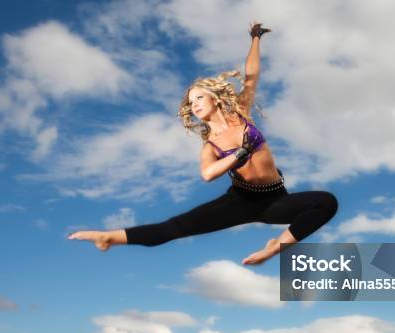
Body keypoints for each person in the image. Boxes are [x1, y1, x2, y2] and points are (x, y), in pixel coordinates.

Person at [68, 22, 338, 265]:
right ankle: (109, 237)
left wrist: (255, 38)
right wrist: (239, 154)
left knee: (326, 202)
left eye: (198, 98)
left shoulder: (241, 112)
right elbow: (208, 174)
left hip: (274, 197)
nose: (194, 105)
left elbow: (252, 74)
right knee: (174, 227)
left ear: (215, 98)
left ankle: (274, 248)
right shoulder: (210, 145)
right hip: (240, 202)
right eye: (190, 102)